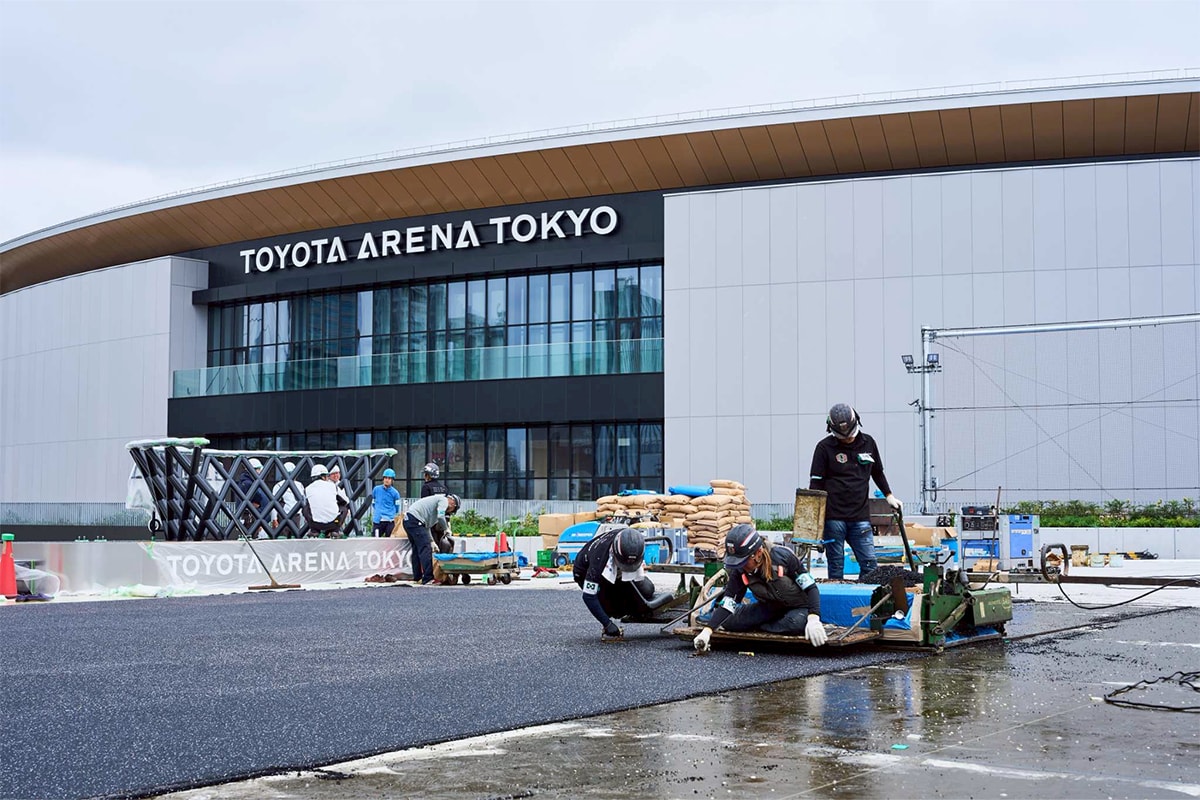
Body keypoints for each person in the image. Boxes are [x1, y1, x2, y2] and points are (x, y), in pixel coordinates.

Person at [692, 524, 827, 653]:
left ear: (758, 553)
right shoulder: (739, 571)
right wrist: (707, 631)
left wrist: (813, 618)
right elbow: (728, 603)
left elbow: (811, 588)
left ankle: (763, 624)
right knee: (729, 621)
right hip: (769, 608)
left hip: (798, 608)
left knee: (795, 623)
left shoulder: (783, 557)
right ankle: (767, 624)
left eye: (744, 561)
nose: (741, 566)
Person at [808, 403, 902, 581]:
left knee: (869, 563)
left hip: (860, 517)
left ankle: (866, 595)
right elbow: (816, 484)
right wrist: (814, 520)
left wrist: (889, 495)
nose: (847, 440)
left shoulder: (869, 443)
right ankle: (838, 595)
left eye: (850, 435)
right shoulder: (824, 448)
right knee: (836, 564)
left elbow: (877, 473)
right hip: (833, 518)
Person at [573, 526, 671, 640]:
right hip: (584, 572)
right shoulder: (598, 563)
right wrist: (607, 624)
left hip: (615, 565)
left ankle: (628, 604)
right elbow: (588, 596)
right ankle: (612, 609)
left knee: (648, 590)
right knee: (612, 609)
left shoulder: (631, 539)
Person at [403, 492, 460, 584]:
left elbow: (426, 527)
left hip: (409, 520)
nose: (450, 512)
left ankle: (417, 577)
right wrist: (446, 529)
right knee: (426, 549)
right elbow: (441, 516)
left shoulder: (433, 510)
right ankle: (428, 578)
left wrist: (432, 541)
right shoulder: (443, 500)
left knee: (417, 549)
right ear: (453, 503)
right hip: (415, 521)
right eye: (453, 510)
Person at [303, 463, 349, 537]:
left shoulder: (307, 489)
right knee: (344, 509)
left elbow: (308, 504)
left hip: (315, 524)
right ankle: (335, 531)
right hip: (334, 523)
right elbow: (345, 501)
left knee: (305, 509)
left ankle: (314, 531)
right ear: (323, 477)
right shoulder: (333, 486)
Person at [236, 458, 271, 538]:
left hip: (258, 517)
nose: (260, 472)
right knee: (253, 537)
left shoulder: (253, 482)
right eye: (259, 469)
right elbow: (253, 499)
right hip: (254, 518)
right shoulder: (248, 483)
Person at [271, 461, 305, 538]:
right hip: (284, 516)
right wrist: (274, 518)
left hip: (295, 516)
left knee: (288, 539)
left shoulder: (299, 485)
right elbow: (274, 504)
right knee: (286, 538)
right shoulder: (279, 485)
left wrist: (274, 518)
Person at [371, 468, 402, 537]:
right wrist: (378, 509)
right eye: (385, 478)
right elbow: (373, 502)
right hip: (378, 520)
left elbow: (397, 507)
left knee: (389, 541)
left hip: (389, 520)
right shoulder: (376, 489)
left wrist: (391, 513)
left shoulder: (395, 493)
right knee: (375, 540)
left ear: (392, 480)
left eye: (389, 478)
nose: (387, 480)